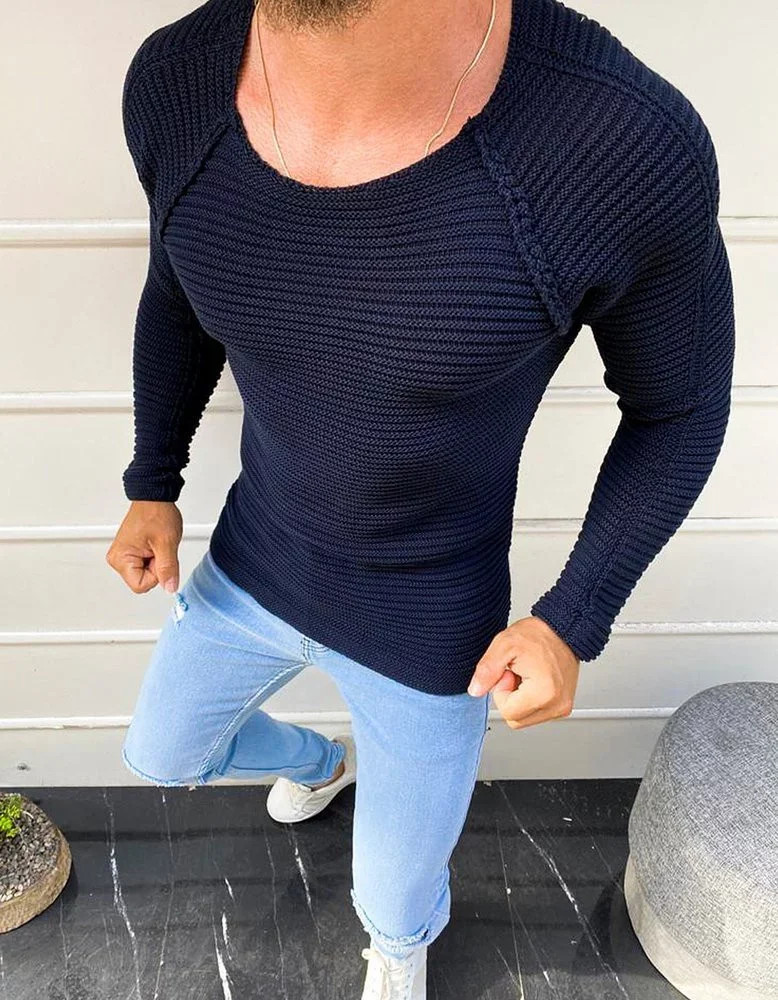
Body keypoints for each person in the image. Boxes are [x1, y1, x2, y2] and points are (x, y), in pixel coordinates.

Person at [105, 0, 735, 995]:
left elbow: (679, 408)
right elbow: (177, 293)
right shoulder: (176, 80)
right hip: (256, 560)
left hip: (430, 624)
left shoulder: (616, 141)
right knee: (160, 752)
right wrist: (154, 482)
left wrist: (570, 620)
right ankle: (319, 762)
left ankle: (400, 948)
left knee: (394, 898)